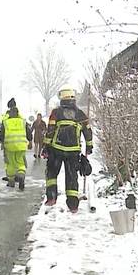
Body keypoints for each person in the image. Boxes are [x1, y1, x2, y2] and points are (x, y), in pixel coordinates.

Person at [42, 84, 93, 213]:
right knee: (72, 177)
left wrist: (46, 146)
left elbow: (51, 130)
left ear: (62, 98)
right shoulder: (80, 114)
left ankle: (51, 198)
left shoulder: (56, 112)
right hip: (73, 151)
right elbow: (87, 131)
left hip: (56, 149)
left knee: (52, 173)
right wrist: (89, 146)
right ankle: (73, 205)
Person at [0, 106, 32, 190]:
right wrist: (30, 141)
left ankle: (11, 181)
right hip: (21, 146)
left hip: (9, 146)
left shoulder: (5, 122)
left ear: (10, 114)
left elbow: (1, 134)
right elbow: (29, 131)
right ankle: (21, 176)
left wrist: (2, 143)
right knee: (21, 163)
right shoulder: (23, 121)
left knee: (10, 164)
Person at [0, 98, 17, 182]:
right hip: (19, 141)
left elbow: (2, 127)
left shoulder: (7, 115)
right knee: (18, 159)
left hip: (8, 140)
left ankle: (10, 176)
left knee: (8, 160)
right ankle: (18, 174)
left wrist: (1, 141)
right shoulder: (19, 114)